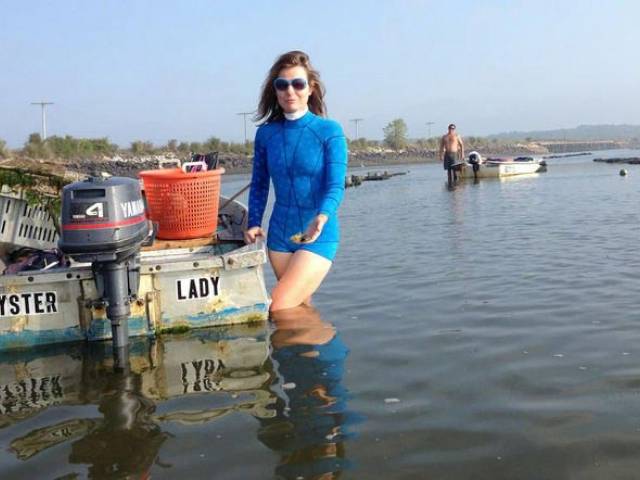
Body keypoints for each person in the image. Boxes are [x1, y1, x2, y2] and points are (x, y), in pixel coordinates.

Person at [244, 51, 348, 312]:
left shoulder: (329, 131)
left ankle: (329, 352)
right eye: (282, 84)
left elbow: (336, 185)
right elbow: (259, 185)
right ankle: (307, 352)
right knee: (298, 309)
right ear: (275, 90)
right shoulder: (266, 134)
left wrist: (323, 216)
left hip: (317, 235)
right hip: (279, 236)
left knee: (277, 307)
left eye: (298, 84)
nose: (290, 91)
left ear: (310, 89)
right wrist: (254, 222)